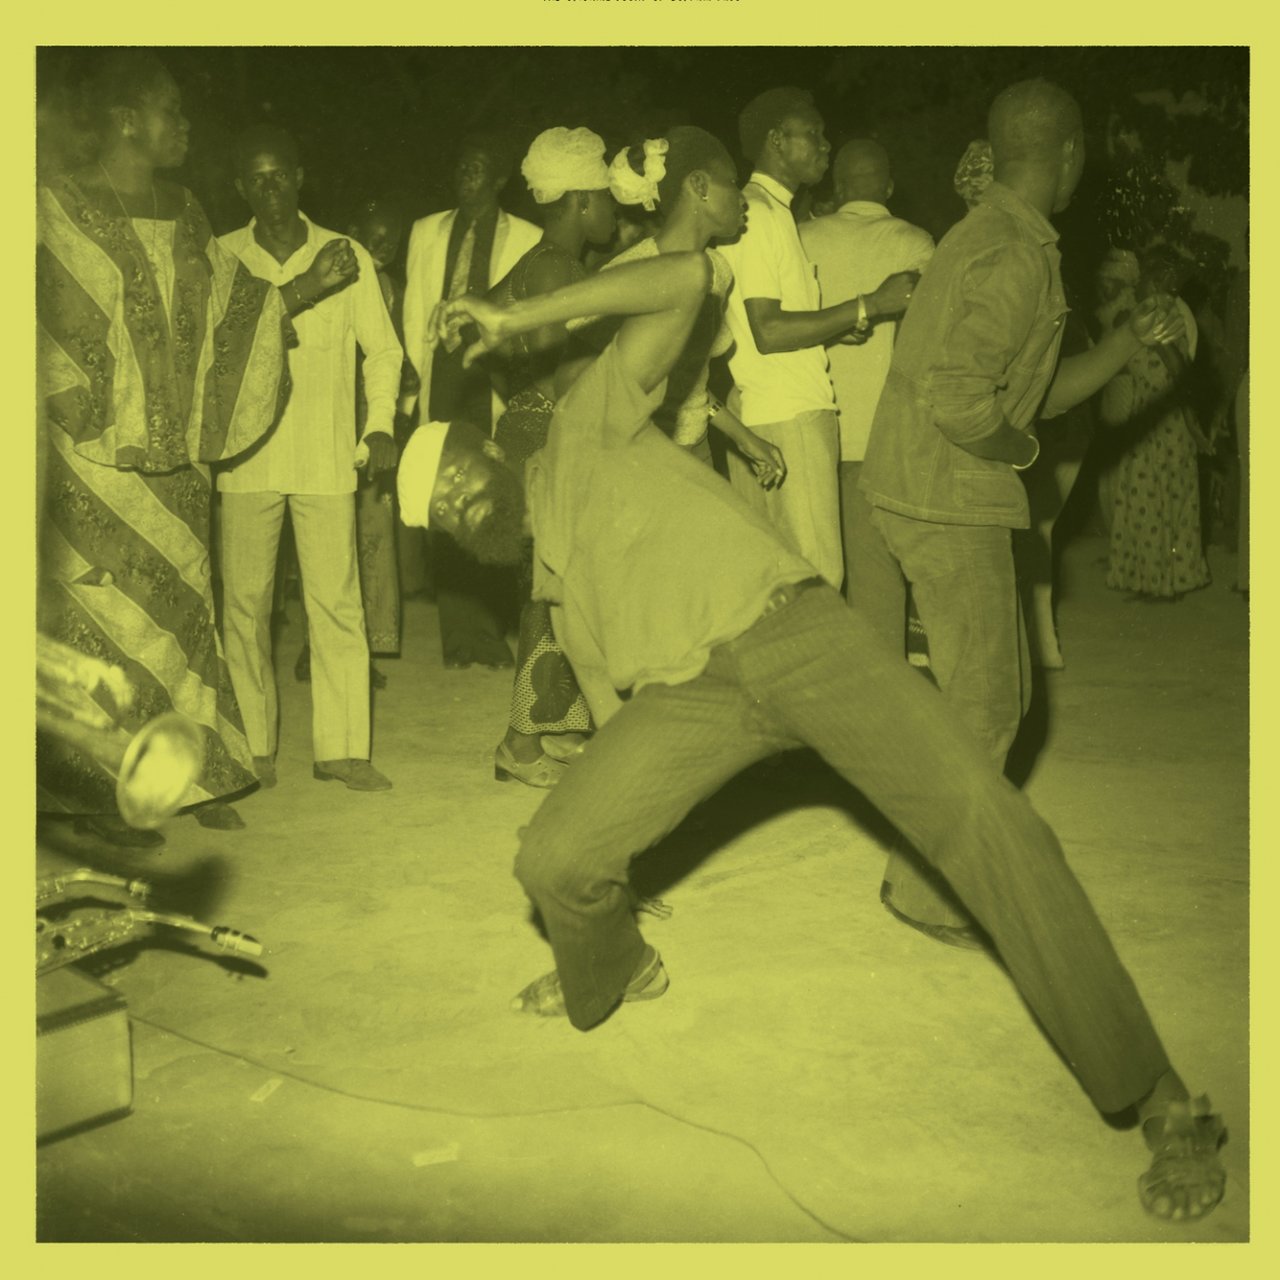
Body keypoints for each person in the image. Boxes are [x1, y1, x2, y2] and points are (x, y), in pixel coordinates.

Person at [401, 247, 1227, 1225]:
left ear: (490, 448)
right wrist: (609, 821)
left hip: (793, 632)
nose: (457, 505)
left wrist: (511, 319)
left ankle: (1163, 1099)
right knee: (552, 856)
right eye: (441, 515)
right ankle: (618, 966)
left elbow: (688, 279)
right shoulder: (553, 582)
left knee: (982, 815)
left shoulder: (584, 425)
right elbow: (607, 707)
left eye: (454, 476)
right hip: (691, 700)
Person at [852, 80, 1189, 943]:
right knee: (991, 704)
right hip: (948, 495)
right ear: (1069, 153)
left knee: (998, 691)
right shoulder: (1015, 254)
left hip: (916, 483)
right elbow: (963, 401)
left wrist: (1127, 342)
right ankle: (926, 891)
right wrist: (1024, 456)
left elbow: (1033, 392)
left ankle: (918, 867)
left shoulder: (990, 233)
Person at [36, 50, 351, 845]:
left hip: (178, 463)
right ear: (126, 119)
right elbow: (46, 319)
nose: (184, 124)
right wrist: (91, 411)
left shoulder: (185, 210)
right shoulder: (58, 204)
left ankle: (195, 771)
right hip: (93, 463)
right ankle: (101, 793)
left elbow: (234, 316)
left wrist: (305, 290)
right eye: (169, 110)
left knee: (183, 621)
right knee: (101, 625)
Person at [218, 125, 401, 792]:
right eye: (257, 178)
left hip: (326, 456)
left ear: (300, 177)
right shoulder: (222, 256)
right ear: (242, 188)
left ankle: (343, 751)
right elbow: (220, 349)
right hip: (245, 460)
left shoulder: (347, 254)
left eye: (281, 174)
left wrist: (379, 425)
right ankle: (253, 746)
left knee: (337, 603)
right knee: (245, 607)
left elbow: (383, 350)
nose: (271, 188)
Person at [717, 87, 917, 587]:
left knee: (780, 584)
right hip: (789, 413)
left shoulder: (772, 212)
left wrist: (832, 330)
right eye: (813, 134)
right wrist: (870, 304)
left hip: (771, 409)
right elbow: (768, 330)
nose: (826, 146)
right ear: (776, 141)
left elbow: (762, 328)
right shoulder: (761, 214)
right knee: (818, 581)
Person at [485, 126, 617, 787]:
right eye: (606, 196)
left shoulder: (538, 261)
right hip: (549, 440)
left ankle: (553, 724)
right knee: (551, 588)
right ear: (583, 200)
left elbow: (485, 334)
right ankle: (520, 744)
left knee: (561, 588)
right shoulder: (558, 269)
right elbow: (563, 373)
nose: (613, 209)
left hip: (528, 431)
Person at [402, 132, 541, 670]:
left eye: (478, 168)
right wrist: (411, 391)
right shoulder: (426, 230)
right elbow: (414, 310)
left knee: (493, 492)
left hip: (492, 381)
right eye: (461, 167)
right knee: (448, 501)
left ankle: (494, 630)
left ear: (500, 179)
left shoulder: (527, 236)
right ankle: (460, 638)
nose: (466, 176)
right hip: (441, 380)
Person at [605, 126, 785, 484]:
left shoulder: (717, 271)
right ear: (699, 185)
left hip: (697, 450)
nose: (743, 198)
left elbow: (690, 386)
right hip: (640, 462)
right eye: (732, 182)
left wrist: (743, 436)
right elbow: (583, 383)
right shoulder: (630, 273)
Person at [798, 139, 934, 603]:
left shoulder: (802, 239)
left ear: (837, 188)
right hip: (883, 435)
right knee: (877, 580)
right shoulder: (915, 242)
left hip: (811, 430)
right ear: (889, 187)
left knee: (816, 575)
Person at [295, 196, 414, 690]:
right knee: (326, 542)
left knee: (371, 536)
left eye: (392, 240)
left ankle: (358, 649)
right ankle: (315, 646)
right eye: (373, 236)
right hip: (329, 424)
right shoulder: (330, 277)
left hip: (374, 427)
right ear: (352, 233)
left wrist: (391, 420)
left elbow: (397, 359)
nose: (382, 247)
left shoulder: (392, 289)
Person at [1095, 246, 1211, 601]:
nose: (1137, 283)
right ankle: (1159, 578)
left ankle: (1160, 579)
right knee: (1158, 496)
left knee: (1152, 496)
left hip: (1163, 419)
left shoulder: (1160, 311)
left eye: (1145, 276)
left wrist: (1192, 421)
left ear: (1158, 279)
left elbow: (1177, 368)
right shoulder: (1150, 311)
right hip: (1152, 414)